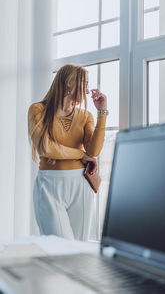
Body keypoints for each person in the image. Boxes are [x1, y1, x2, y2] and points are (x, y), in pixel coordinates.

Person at [28, 64, 108, 241]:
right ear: (70, 83)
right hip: (49, 185)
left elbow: (93, 150)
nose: (88, 90)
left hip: (81, 184)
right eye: (84, 84)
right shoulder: (38, 110)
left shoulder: (86, 115)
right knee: (59, 249)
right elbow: (45, 148)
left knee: (78, 248)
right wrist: (80, 155)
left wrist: (102, 112)